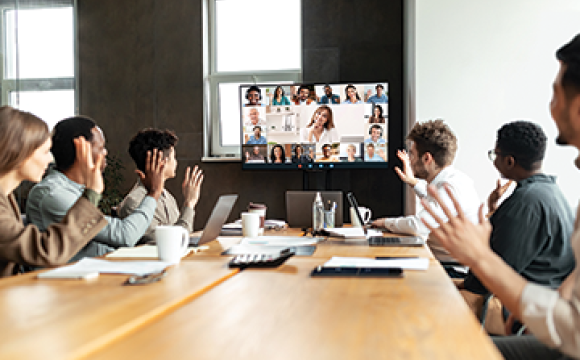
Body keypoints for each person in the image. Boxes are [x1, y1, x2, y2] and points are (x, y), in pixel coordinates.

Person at [420, 33, 580, 360]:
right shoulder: (549, 193)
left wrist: (477, 256)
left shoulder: (527, 203)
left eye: (555, 94)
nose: (552, 106)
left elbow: (484, 281)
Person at [458, 121, 575, 335]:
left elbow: (489, 276)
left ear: (509, 161)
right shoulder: (552, 193)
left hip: (520, 310)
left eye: (495, 154)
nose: (494, 160)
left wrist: (463, 282)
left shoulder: (526, 203)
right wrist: (493, 211)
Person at [26, 117, 165, 262]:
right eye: (100, 147)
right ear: (81, 149)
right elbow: (125, 235)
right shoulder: (53, 194)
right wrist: (153, 193)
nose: (105, 153)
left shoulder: (73, 189)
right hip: (63, 280)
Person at [0, 106, 107, 277]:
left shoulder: (6, 196)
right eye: (44, 151)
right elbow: (46, 250)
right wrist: (92, 192)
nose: (50, 159)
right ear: (18, 152)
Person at [371, 120, 480, 260]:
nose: (409, 160)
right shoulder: (452, 180)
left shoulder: (450, 187)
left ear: (427, 158)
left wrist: (385, 222)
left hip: (450, 270)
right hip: (440, 262)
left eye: (412, 155)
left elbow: (418, 226)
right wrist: (412, 182)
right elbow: (435, 202)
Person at [118, 129, 204, 243]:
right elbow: (171, 243)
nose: (176, 162)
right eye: (174, 157)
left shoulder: (167, 197)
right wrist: (189, 203)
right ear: (162, 162)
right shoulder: (134, 203)